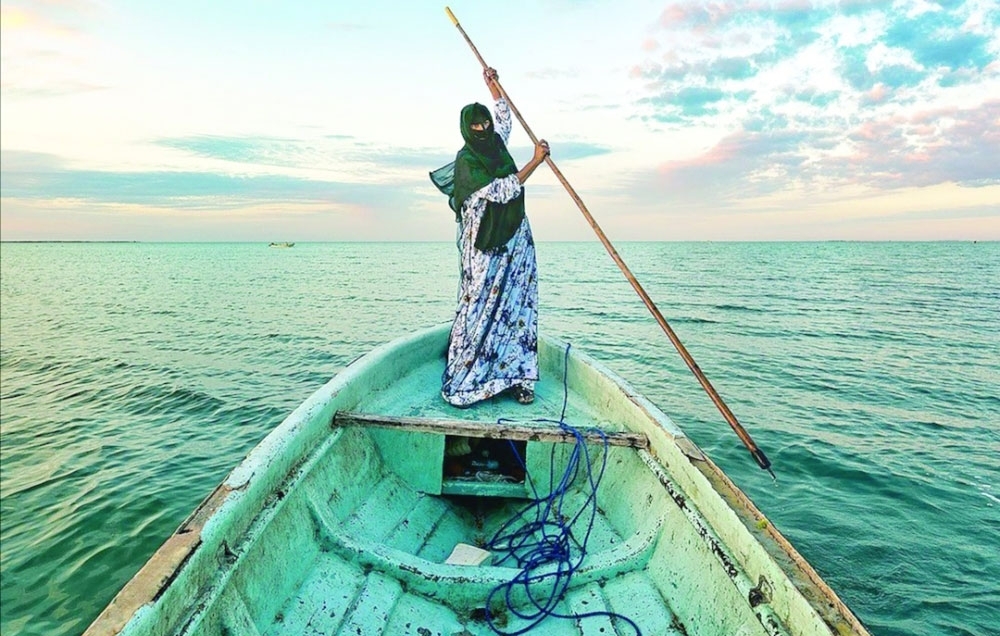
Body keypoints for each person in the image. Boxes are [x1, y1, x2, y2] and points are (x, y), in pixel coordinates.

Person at [429, 67, 550, 408]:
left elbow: (505, 119)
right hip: (485, 245)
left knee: (518, 303)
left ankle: (517, 376)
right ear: (466, 129)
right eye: (476, 125)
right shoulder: (467, 161)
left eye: (484, 123)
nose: (483, 128)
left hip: (514, 239)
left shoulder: (496, 145)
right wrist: (535, 161)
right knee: (481, 305)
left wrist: (492, 86)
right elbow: (502, 190)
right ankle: (473, 375)